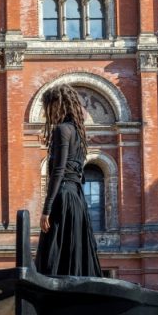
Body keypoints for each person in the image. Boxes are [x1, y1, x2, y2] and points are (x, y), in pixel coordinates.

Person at [36, 84, 103, 277]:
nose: (48, 113)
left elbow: (59, 171)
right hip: (77, 201)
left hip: (63, 197)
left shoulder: (61, 130)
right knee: (73, 256)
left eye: (48, 107)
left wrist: (46, 210)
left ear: (58, 104)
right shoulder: (79, 135)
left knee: (53, 258)